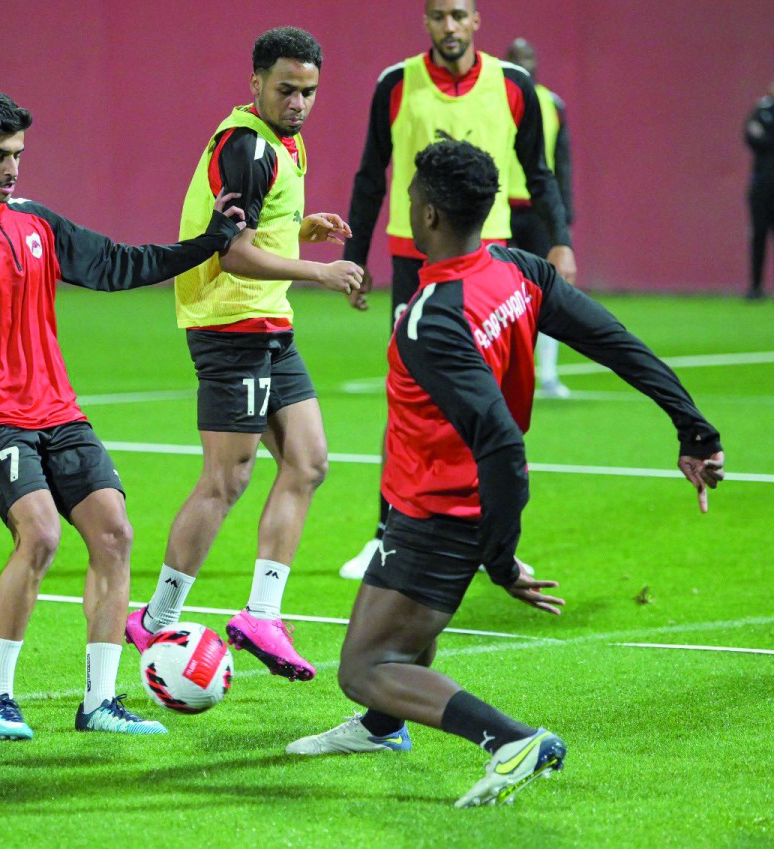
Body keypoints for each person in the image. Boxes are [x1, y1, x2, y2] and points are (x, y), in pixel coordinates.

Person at [285, 140, 725, 807]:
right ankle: (381, 728)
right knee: (399, 629)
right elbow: (614, 341)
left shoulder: (434, 319)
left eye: (411, 195)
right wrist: (693, 428)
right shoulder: (517, 269)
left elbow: (500, 445)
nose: (407, 203)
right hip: (437, 501)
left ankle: (513, 740)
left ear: (428, 215)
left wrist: (500, 557)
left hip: (440, 510)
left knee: (365, 666)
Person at [0, 91, 245, 739]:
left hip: (59, 412)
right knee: (39, 535)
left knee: (115, 532)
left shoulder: (35, 223)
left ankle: (100, 703)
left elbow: (118, 263)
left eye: (17, 155)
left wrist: (208, 244)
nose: (11, 168)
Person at [124, 27, 362, 680]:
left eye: (309, 91)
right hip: (230, 325)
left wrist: (298, 230)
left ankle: (262, 614)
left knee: (308, 461)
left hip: (267, 323)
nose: (299, 102)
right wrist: (318, 270)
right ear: (255, 82)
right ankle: (155, 619)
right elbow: (231, 251)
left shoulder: (284, 143)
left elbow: (256, 227)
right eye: (286, 89)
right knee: (226, 479)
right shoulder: (248, 146)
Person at [338, 0, 577, 580]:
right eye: (439, 15)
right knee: (410, 399)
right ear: (427, 22)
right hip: (414, 261)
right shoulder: (396, 84)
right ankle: (387, 533)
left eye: (459, 15)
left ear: (476, 21)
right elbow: (371, 175)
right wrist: (354, 257)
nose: (449, 26)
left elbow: (539, 174)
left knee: (492, 401)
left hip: (491, 262)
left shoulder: (513, 85)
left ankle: (492, 539)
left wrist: (561, 242)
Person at [505, 37, 575, 399]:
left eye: (528, 56)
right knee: (496, 293)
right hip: (498, 209)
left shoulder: (552, 104)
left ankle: (547, 373)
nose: (523, 63)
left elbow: (562, 162)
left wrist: (563, 219)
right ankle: (500, 370)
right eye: (515, 57)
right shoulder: (493, 96)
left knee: (547, 290)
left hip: (537, 211)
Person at [745, 79, 774, 299]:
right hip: (762, 185)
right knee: (759, 236)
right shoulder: (761, 111)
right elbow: (751, 136)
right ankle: (755, 287)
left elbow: (762, 138)